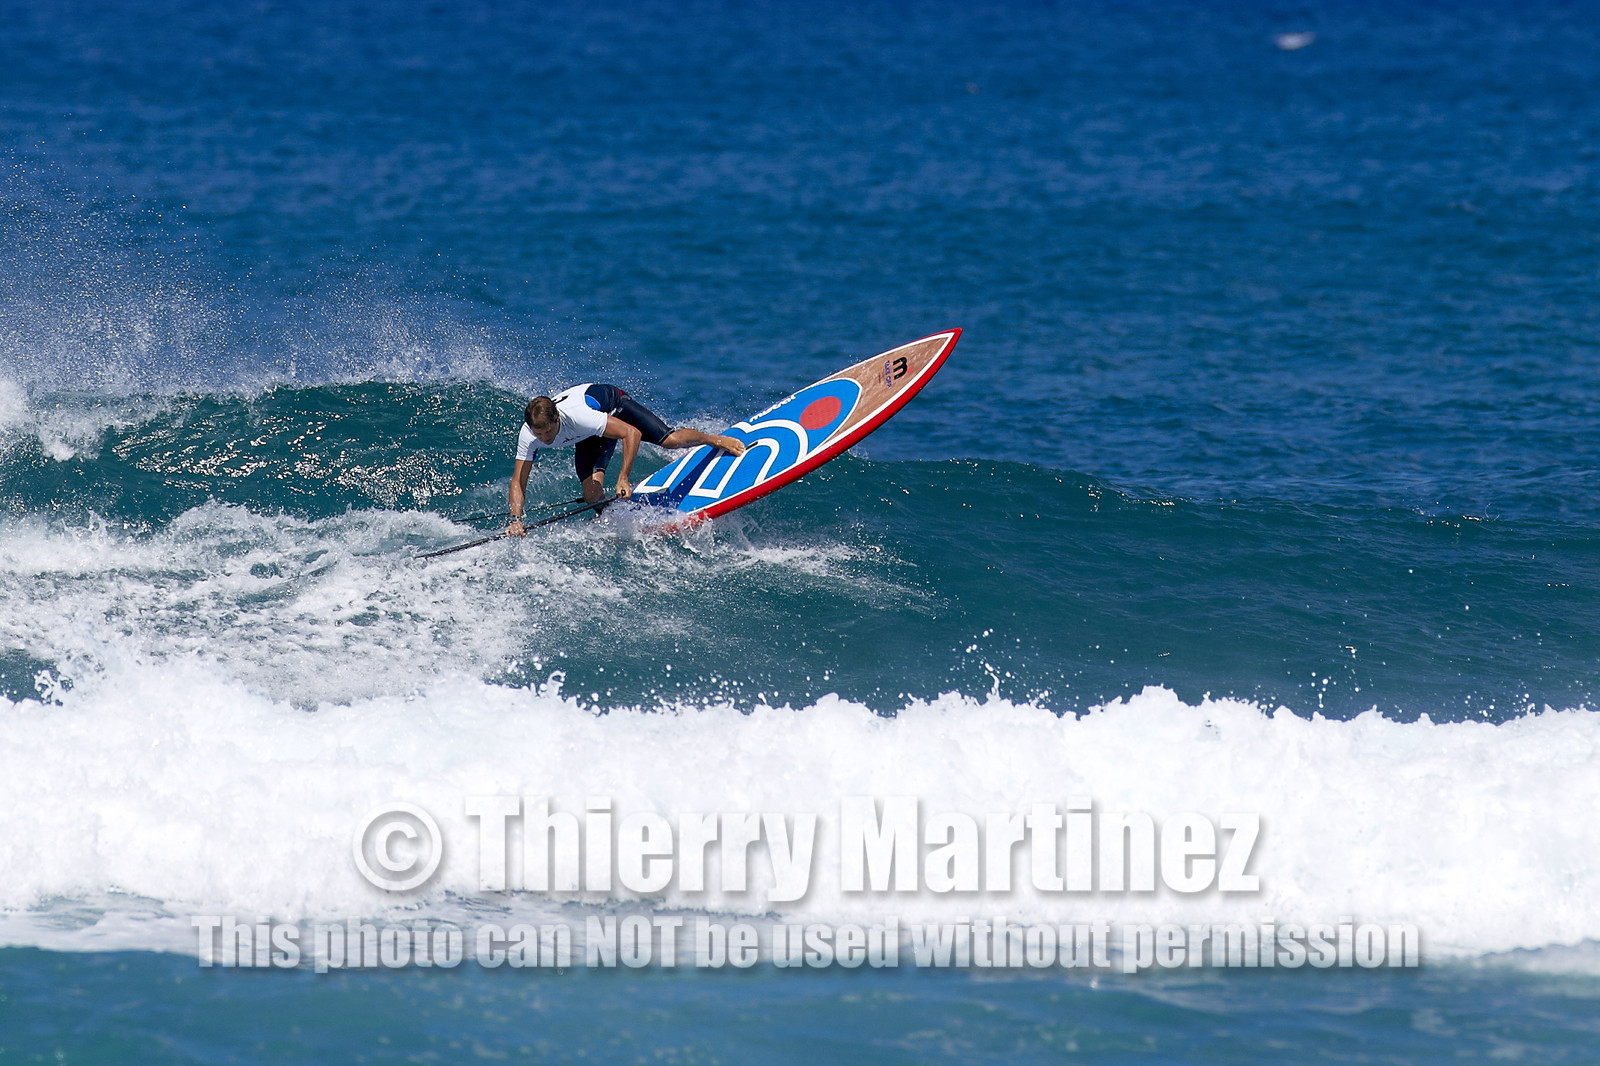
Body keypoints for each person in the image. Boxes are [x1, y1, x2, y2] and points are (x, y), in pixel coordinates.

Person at [506, 383, 746, 536]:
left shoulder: (579, 417)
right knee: (591, 495)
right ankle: (616, 516)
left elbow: (632, 433)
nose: (545, 438)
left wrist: (624, 478)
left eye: (548, 431)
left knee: (670, 441)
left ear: (557, 419)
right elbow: (518, 481)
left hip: (614, 408)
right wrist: (516, 519)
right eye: (539, 434)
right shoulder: (529, 434)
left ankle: (714, 439)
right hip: (588, 434)